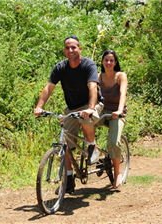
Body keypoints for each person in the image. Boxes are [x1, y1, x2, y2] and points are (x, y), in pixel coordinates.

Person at [33, 35, 103, 193]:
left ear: (79, 49)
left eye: (73, 47)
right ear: (64, 51)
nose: (70, 50)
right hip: (72, 107)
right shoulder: (60, 68)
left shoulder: (88, 65)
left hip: (92, 103)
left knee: (86, 120)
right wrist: (39, 106)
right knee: (66, 144)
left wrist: (91, 108)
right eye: (67, 48)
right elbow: (48, 87)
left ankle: (92, 146)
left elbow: (93, 87)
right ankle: (69, 179)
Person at [96, 50, 128, 189]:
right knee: (85, 124)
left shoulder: (120, 76)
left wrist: (119, 110)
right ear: (102, 62)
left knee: (114, 143)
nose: (108, 63)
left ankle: (117, 174)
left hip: (117, 113)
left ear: (115, 62)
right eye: (106, 60)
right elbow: (92, 95)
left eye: (111, 60)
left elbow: (122, 94)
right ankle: (93, 152)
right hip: (103, 111)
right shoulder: (98, 77)